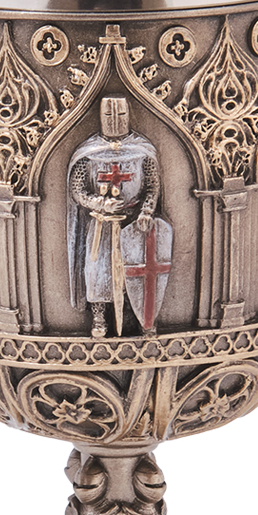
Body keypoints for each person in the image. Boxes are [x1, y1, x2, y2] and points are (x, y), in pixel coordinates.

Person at [67, 98, 161, 338]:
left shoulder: (142, 151)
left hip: (133, 223)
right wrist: (99, 203)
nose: (115, 120)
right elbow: (77, 191)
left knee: (136, 270)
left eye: (120, 114)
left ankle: (138, 315)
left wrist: (146, 211)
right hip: (101, 224)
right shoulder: (89, 153)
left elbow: (152, 188)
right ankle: (99, 316)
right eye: (109, 115)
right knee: (98, 270)